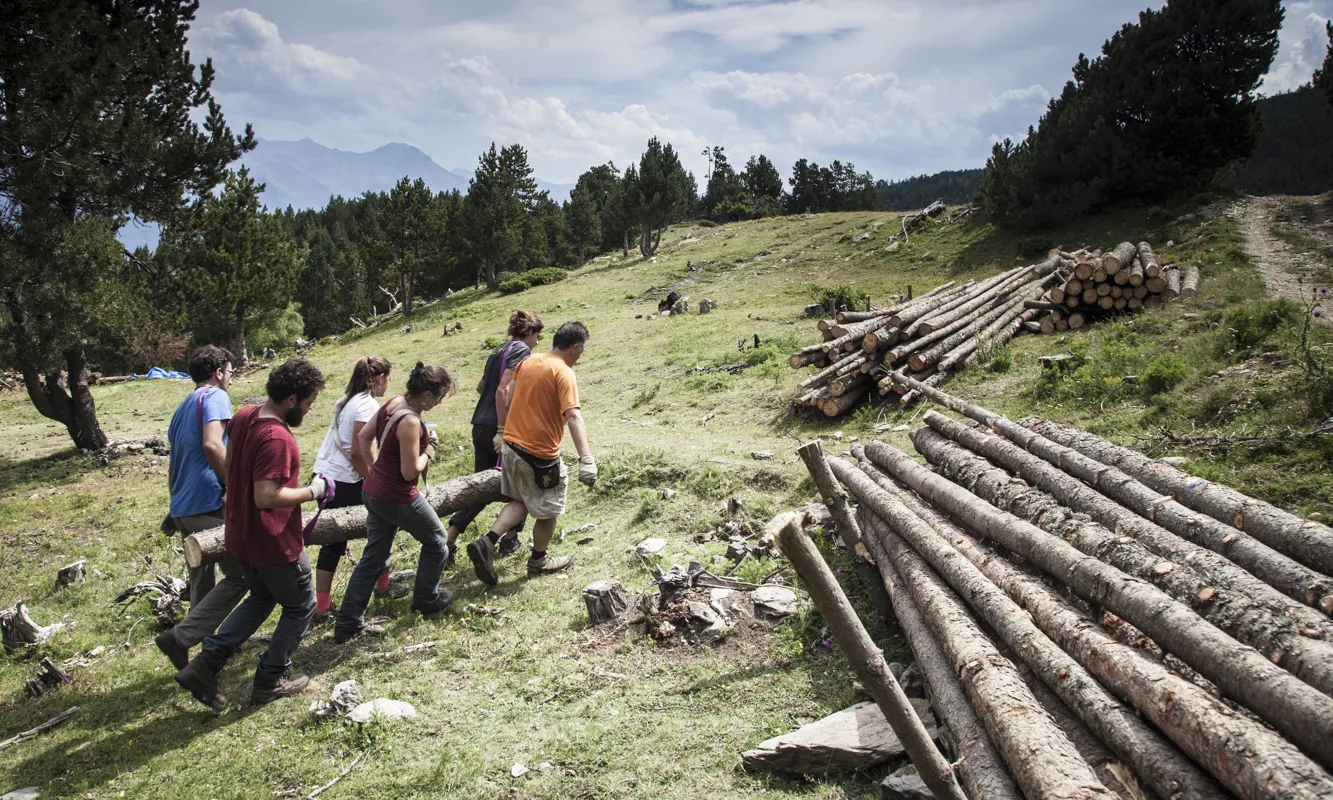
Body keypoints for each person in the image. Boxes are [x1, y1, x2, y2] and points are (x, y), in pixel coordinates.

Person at [173, 358, 328, 709]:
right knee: (300, 604)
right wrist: (313, 491)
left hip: (240, 534)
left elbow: (229, 465)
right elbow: (267, 496)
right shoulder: (277, 438)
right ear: (291, 399)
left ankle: (205, 665)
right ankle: (270, 679)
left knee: (260, 598)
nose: (308, 409)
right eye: (307, 402)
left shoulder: (245, 415)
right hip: (273, 540)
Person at [334, 363, 457, 643]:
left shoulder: (393, 403)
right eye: (438, 398)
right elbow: (409, 471)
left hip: (374, 491)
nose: (438, 404)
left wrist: (376, 470)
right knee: (438, 541)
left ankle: (347, 623)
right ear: (426, 395)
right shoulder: (412, 421)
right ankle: (426, 599)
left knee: (373, 558)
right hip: (397, 496)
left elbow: (364, 440)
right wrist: (431, 449)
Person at [466, 322, 596, 585]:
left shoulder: (529, 361)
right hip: (539, 455)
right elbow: (572, 415)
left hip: (512, 447)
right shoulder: (564, 372)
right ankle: (539, 560)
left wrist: (503, 431)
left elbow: (508, 398)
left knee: (521, 500)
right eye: (581, 351)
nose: (580, 357)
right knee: (549, 510)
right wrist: (586, 458)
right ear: (575, 347)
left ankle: (487, 542)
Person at [156, 346, 248, 670]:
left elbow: (177, 462)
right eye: (231, 372)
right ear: (219, 372)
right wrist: (234, 487)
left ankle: (201, 647)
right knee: (242, 575)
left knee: (202, 580)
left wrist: (175, 506)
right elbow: (212, 444)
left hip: (184, 507)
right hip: (206, 503)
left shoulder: (182, 408)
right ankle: (182, 638)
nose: (231, 380)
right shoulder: (215, 396)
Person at [309, 356, 401, 621]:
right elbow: (359, 450)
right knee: (381, 528)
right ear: (380, 378)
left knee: (333, 543)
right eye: (387, 378)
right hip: (344, 480)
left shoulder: (349, 400)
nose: (388, 384)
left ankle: (322, 606)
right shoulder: (366, 405)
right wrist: (374, 479)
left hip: (326, 475)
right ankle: (382, 585)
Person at [444, 311, 543, 560]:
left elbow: (481, 387)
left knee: (479, 489)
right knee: (522, 485)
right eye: (538, 336)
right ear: (529, 333)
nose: (537, 342)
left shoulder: (498, 349)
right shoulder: (521, 350)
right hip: (501, 429)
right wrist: (502, 428)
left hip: (480, 423)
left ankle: (447, 542)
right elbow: (503, 390)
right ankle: (508, 541)